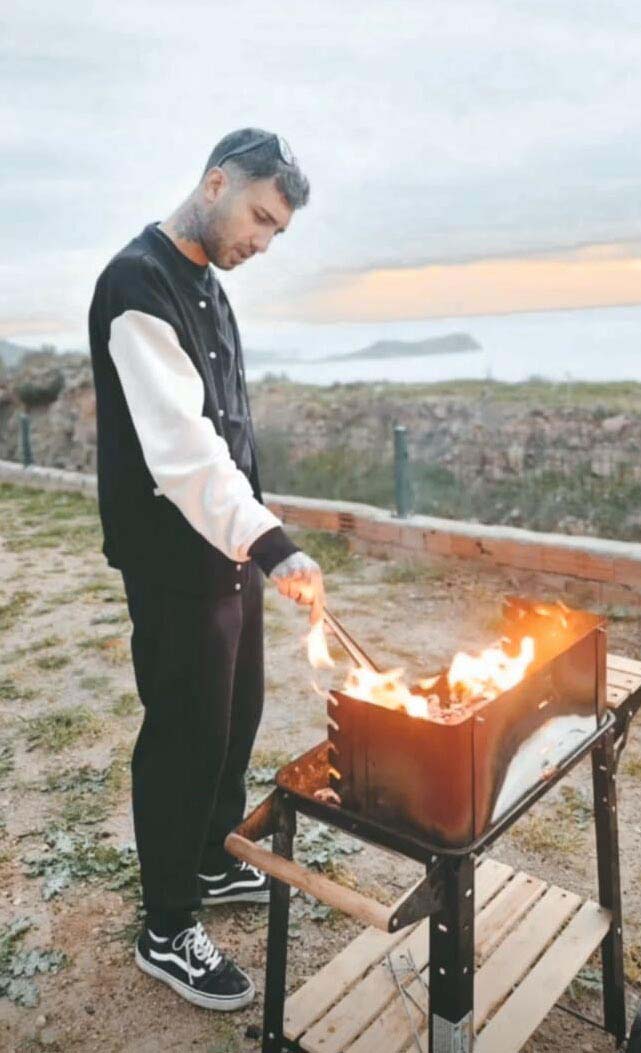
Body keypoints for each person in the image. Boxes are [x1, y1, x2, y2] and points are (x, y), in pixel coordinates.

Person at [88, 128, 324, 1011]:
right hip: (171, 558)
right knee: (185, 733)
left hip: (229, 552)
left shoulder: (211, 288)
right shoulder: (136, 284)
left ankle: (211, 857)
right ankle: (166, 924)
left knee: (237, 715)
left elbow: (233, 434)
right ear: (216, 182)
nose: (262, 242)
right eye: (259, 217)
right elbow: (183, 450)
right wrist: (273, 541)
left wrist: (256, 536)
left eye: (276, 231)